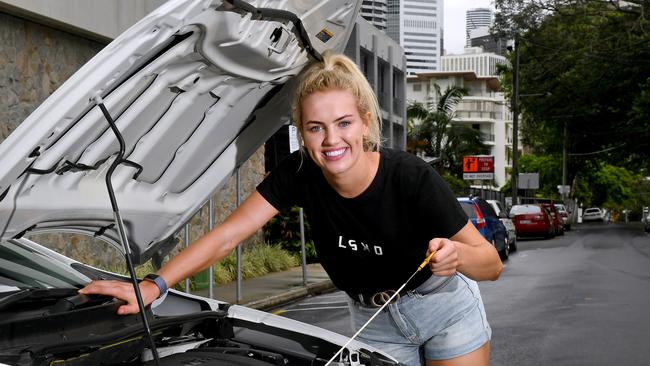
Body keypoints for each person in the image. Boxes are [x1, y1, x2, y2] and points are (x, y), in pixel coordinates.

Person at [81, 51, 503, 366]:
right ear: (301, 132)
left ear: (365, 123)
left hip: (444, 308)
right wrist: (155, 285)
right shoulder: (299, 173)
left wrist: (457, 255)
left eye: (344, 123)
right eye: (316, 128)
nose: (331, 141)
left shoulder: (410, 178)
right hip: (374, 321)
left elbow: (490, 263)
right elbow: (229, 235)